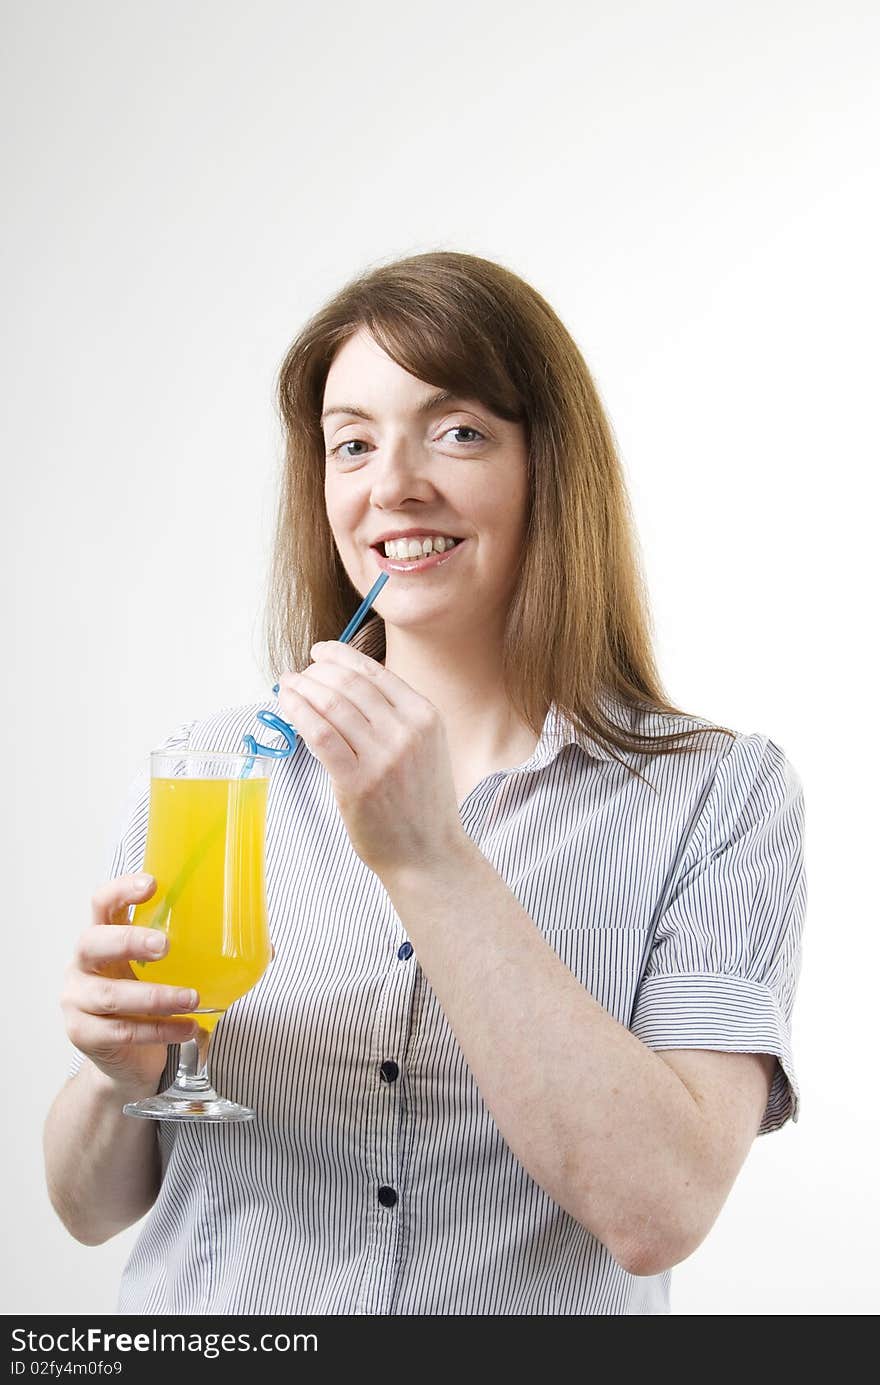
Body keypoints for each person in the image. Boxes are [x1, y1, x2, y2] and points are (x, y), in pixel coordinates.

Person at [44, 250, 806, 1315]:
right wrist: (118, 1081)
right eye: (351, 442)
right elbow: (85, 1208)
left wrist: (428, 856)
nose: (391, 483)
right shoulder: (216, 770)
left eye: (456, 431)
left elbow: (657, 1210)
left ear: (550, 464)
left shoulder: (718, 796)